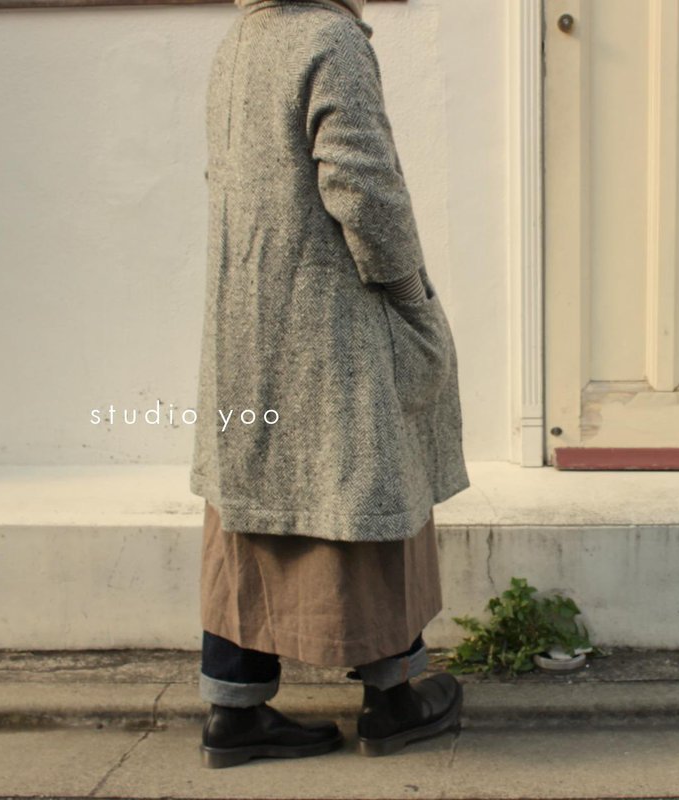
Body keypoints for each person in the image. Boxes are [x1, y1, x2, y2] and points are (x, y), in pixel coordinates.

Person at [189, 0, 471, 768]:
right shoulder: (329, 38)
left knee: (248, 502)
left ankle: (234, 710)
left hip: (247, 321)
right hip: (329, 317)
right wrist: (408, 291)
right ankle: (393, 700)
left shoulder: (240, 40)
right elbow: (363, 184)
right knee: (373, 480)